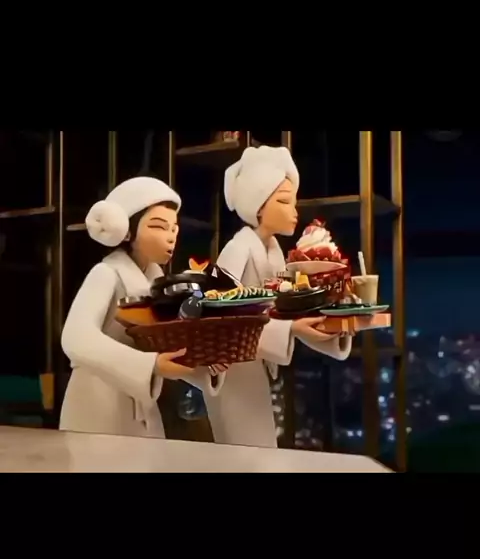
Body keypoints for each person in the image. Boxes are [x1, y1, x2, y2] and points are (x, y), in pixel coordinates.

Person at [202, 145, 353, 448]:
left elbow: (286, 315)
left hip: (258, 364)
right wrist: (290, 329)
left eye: (293, 202)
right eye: (283, 201)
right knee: (245, 454)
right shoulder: (238, 249)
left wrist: (332, 324)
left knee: (263, 449)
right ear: (258, 207)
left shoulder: (275, 253)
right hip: (232, 368)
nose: (294, 211)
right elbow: (218, 313)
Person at [60, 177, 226, 438]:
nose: (170, 237)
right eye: (158, 226)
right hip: (97, 402)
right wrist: (151, 365)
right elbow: (75, 338)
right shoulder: (106, 273)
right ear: (126, 230)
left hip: (141, 403)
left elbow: (164, 351)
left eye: (174, 228)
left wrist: (204, 365)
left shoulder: (156, 283)